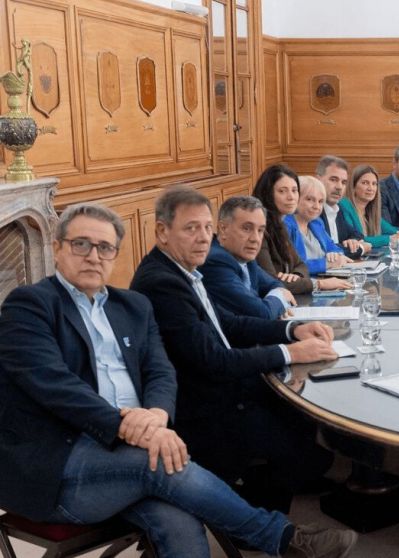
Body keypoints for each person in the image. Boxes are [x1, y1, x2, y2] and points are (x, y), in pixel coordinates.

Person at [0, 202, 356, 558]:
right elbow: (56, 386)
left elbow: (160, 371)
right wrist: (129, 426)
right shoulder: (29, 305)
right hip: (61, 462)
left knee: (178, 521)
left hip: (138, 446)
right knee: (161, 462)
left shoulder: (132, 306)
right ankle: (282, 539)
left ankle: (281, 538)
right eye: (81, 244)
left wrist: (156, 415)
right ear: (58, 248)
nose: (94, 256)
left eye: (105, 247)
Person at [130, 187, 339, 513]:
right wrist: (291, 353)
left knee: (307, 416)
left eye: (206, 227)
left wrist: (292, 330)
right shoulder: (162, 282)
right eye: (191, 228)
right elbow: (213, 361)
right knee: (302, 437)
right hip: (202, 406)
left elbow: (228, 323)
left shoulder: (183, 268)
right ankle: (253, 512)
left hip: (219, 383)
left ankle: (272, 485)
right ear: (162, 231)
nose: (204, 238)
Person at [253, 164, 346, 295]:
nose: (291, 197)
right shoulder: (259, 230)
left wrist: (296, 276)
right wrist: (319, 284)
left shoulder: (279, 225)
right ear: (268, 194)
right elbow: (270, 282)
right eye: (282, 191)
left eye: (294, 190)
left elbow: (300, 265)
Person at [200, 196, 296, 320]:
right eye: (247, 229)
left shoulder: (244, 256)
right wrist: (279, 301)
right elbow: (262, 313)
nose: (255, 239)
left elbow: (275, 284)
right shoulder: (215, 261)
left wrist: (277, 298)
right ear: (223, 229)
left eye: (260, 230)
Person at [285, 175, 351, 275]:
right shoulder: (286, 226)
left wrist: (335, 254)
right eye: (309, 199)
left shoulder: (316, 222)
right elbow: (292, 267)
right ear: (296, 198)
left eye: (320, 202)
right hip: (305, 282)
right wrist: (325, 264)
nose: (316, 206)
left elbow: (334, 248)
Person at [339, 164, 399, 248]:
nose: (370, 188)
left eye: (374, 184)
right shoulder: (345, 205)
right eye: (365, 183)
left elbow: (390, 230)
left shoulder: (370, 211)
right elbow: (358, 240)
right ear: (353, 186)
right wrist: (391, 239)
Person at [315, 155, 371, 258]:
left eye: (343, 182)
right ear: (318, 180)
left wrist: (353, 241)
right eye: (333, 180)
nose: (339, 187)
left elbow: (357, 234)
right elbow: (324, 251)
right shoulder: (313, 211)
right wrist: (361, 248)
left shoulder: (337, 209)